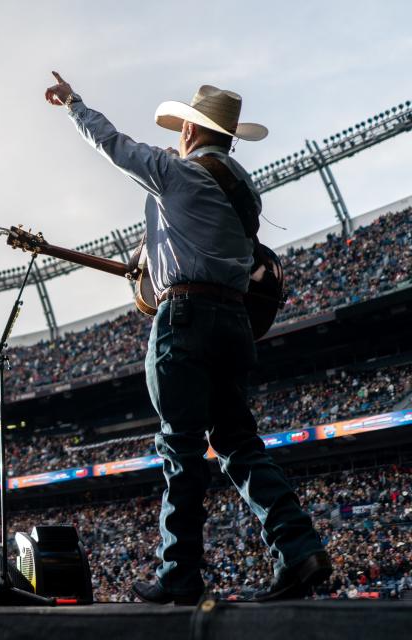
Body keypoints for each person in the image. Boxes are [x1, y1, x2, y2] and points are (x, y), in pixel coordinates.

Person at [44, 73, 330, 604]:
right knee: (240, 444)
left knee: (180, 447)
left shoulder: (177, 173)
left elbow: (113, 145)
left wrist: (73, 104)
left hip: (187, 319)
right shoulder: (243, 188)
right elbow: (198, 239)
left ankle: (179, 574)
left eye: (183, 130)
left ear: (192, 132)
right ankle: (300, 550)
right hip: (234, 322)